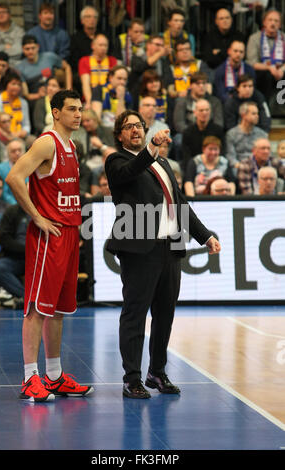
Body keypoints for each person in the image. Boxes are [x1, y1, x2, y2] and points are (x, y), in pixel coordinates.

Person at [105, 109, 220, 398]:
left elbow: (180, 203)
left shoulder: (163, 162)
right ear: (119, 135)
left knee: (165, 314)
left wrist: (204, 235)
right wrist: (151, 149)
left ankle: (157, 372)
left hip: (170, 246)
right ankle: (132, 378)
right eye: (128, 127)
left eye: (139, 126)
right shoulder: (117, 160)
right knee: (135, 313)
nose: (135, 130)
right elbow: (129, 172)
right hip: (139, 250)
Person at [6, 89, 93, 402]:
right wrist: (38, 217)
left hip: (69, 232)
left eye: (80, 109)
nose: (78, 114)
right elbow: (15, 177)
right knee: (36, 308)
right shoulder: (47, 142)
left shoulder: (72, 145)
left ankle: (54, 376)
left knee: (57, 309)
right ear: (56, 112)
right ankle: (30, 377)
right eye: (71, 109)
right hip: (49, 235)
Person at [0, 203, 30, 310]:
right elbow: (3, 239)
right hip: (15, 257)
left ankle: (45, 299)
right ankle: (27, 298)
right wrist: (27, 250)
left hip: (38, 258)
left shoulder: (43, 212)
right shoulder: (11, 211)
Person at [16, 35, 72, 104]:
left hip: (55, 94)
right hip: (36, 101)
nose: (30, 51)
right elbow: (27, 95)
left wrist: (69, 89)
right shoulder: (19, 68)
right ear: (22, 49)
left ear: (38, 47)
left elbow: (67, 67)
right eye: (27, 49)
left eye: (33, 48)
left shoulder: (49, 57)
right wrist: (39, 95)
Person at [246, 8, 285, 104]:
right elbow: (252, 63)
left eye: (276, 21)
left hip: (281, 70)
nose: (273, 23)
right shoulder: (254, 38)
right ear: (264, 22)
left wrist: (282, 70)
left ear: (280, 25)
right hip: (262, 72)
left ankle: (281, 109)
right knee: (267, 75)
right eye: (270, 20)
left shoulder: (284, 37)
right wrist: (269, 68)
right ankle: (264, 106)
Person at [181, 99, 225, 172]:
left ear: (210, 111)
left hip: (215, 167)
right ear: (195, 112)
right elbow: (186, 157)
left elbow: (222, 152)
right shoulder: (187, 132)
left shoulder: (218, 131)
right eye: (201, 110)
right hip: (194, 167)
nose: (204, 113)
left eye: (207, 110)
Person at [78, 34, 117, 109]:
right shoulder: (84, 60)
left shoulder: (112, 61)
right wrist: (89, 102)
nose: (103, 48)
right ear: (92, 46)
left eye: (105, 45)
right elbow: (85, 84)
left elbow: (114, 83)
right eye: (100, 45)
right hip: (90, 98)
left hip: (109, 98)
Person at [225, 101, 268, 169]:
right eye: (253, 114)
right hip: (238, 168)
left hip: (259, 167)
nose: (257, 116)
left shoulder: (262, 135)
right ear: (243, 115)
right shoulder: (231, 134)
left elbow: (267, 155)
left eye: (257, 113)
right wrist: (241, 166)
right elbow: (230, 157)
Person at [0, 2, 24, 67]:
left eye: (4, 12)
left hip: (14, 67)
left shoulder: (19, 31)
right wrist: (4, 47)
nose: (1, 15)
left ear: (9, 15)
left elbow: (18, 51)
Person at [0, 138, 25, 205]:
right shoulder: (0, 168)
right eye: (13, 151)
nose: (17, 153)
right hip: (8, 205)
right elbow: (3, 192)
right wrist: (17, 205)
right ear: (8, 154)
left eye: (19, 150)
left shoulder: (30, 167)